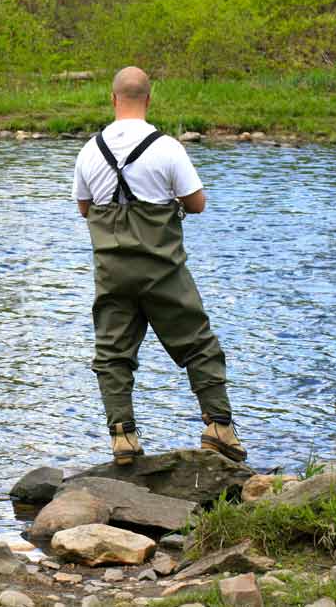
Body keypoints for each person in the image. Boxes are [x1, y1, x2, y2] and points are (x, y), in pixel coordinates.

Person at [71, 66, 246, 465]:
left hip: (112, 271)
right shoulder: (167, 147)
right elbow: (197, 204)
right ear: (148, 100)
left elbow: (84, 209)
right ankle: (218, 426)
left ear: (113, 99)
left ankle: (124, 438)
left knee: (113, 353)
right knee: (198, 343)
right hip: (162, 269)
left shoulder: (88, 150)